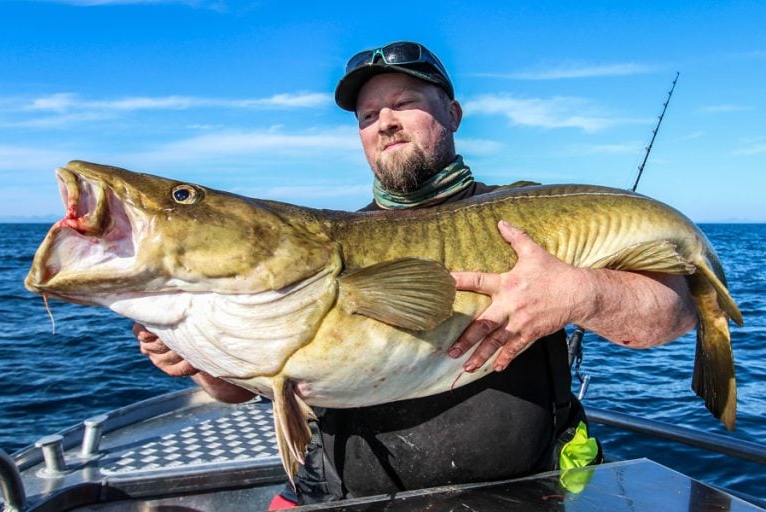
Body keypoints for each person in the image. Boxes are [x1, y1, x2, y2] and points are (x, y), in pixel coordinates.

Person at [134, 41, 697, 506]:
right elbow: (241, 385)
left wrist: (581, 293)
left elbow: (669, 317)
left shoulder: (533, 217)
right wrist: (198, 363)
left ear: (452, 114)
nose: (386, 124)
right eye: (368, 116)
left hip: (525, 490)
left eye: (404, 103)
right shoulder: (323, 242)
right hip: (346, 495)